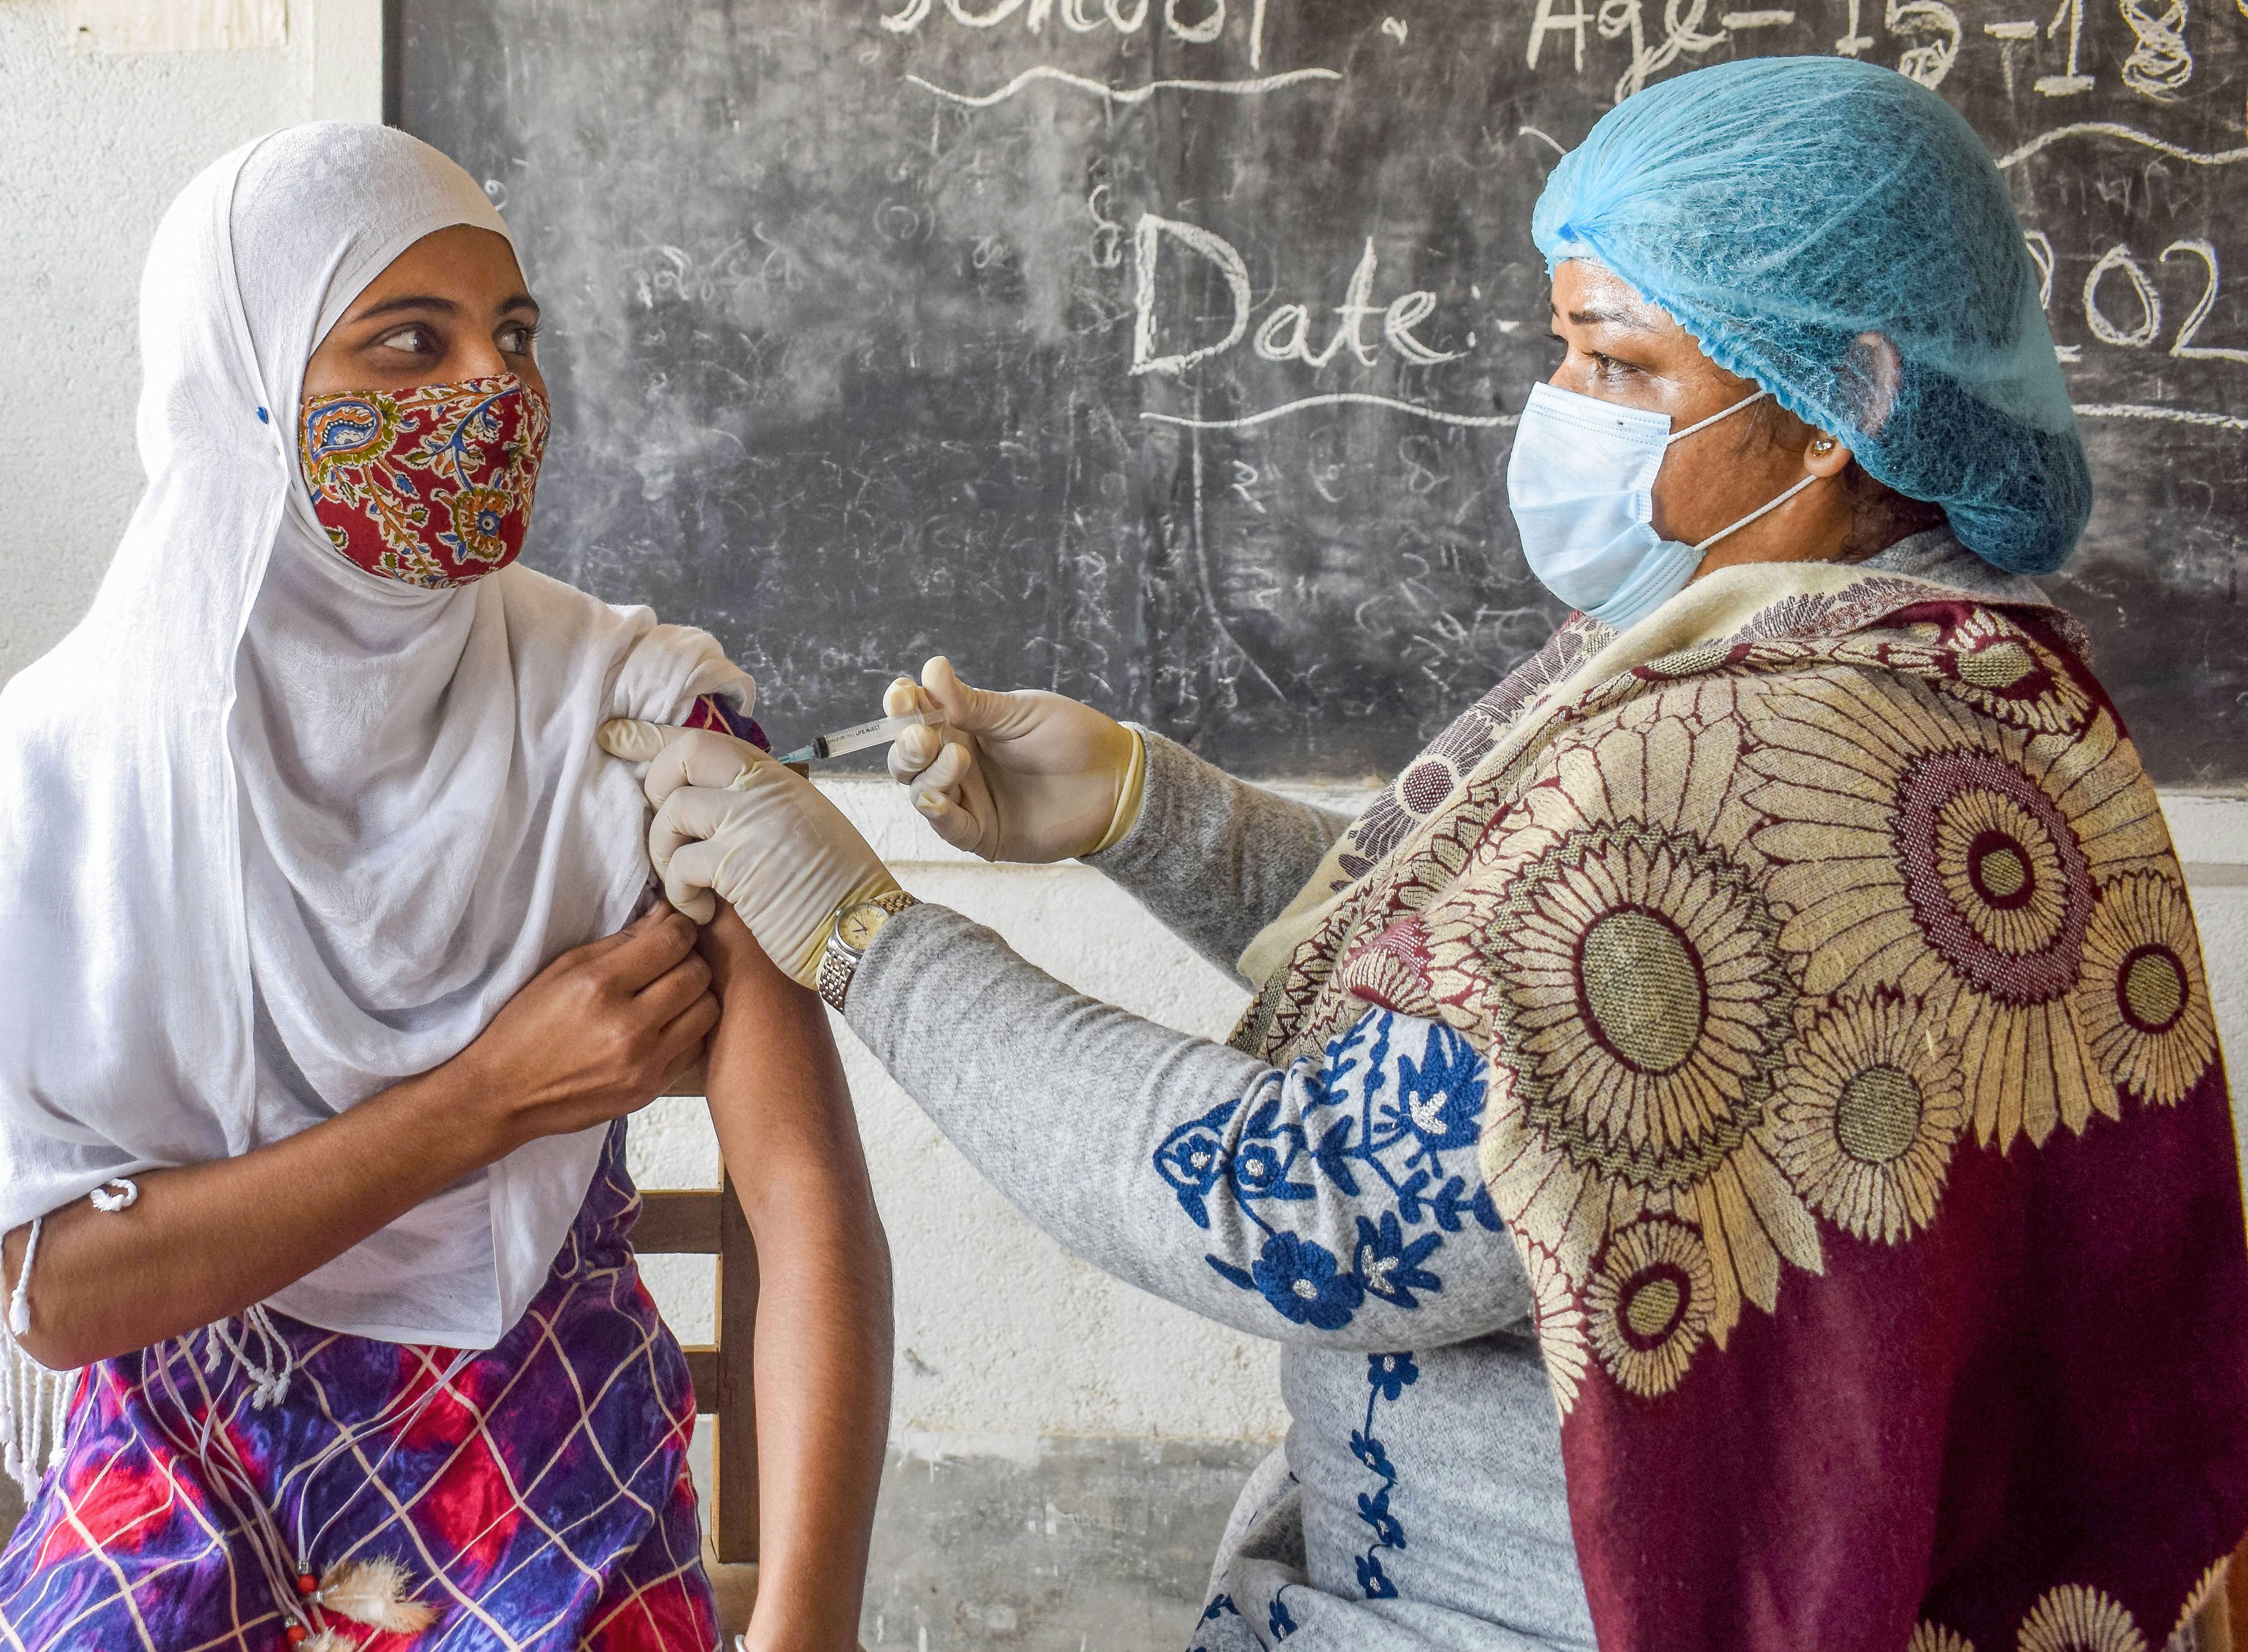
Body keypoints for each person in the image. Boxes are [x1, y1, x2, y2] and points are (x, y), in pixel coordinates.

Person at [608, 56, 2248, 1652]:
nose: (1564, 413)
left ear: (1847, 403)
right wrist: (1147, 809)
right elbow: (1535, 998)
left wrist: (866, 936)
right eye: (1566, 353)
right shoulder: (1957, 674)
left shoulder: (1757, 765)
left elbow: (1300, 1195)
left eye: (1621, 366)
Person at [0, 124, 889, 1652]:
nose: (491, 393)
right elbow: (62, 1292)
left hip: (544, 1456)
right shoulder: (86, 751)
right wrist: (490, 1098)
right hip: (193, 1446)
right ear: (243, 387)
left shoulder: (643, 720)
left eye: (512, 337)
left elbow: (809, 1203)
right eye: (409, 342)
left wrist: (812, 1627)